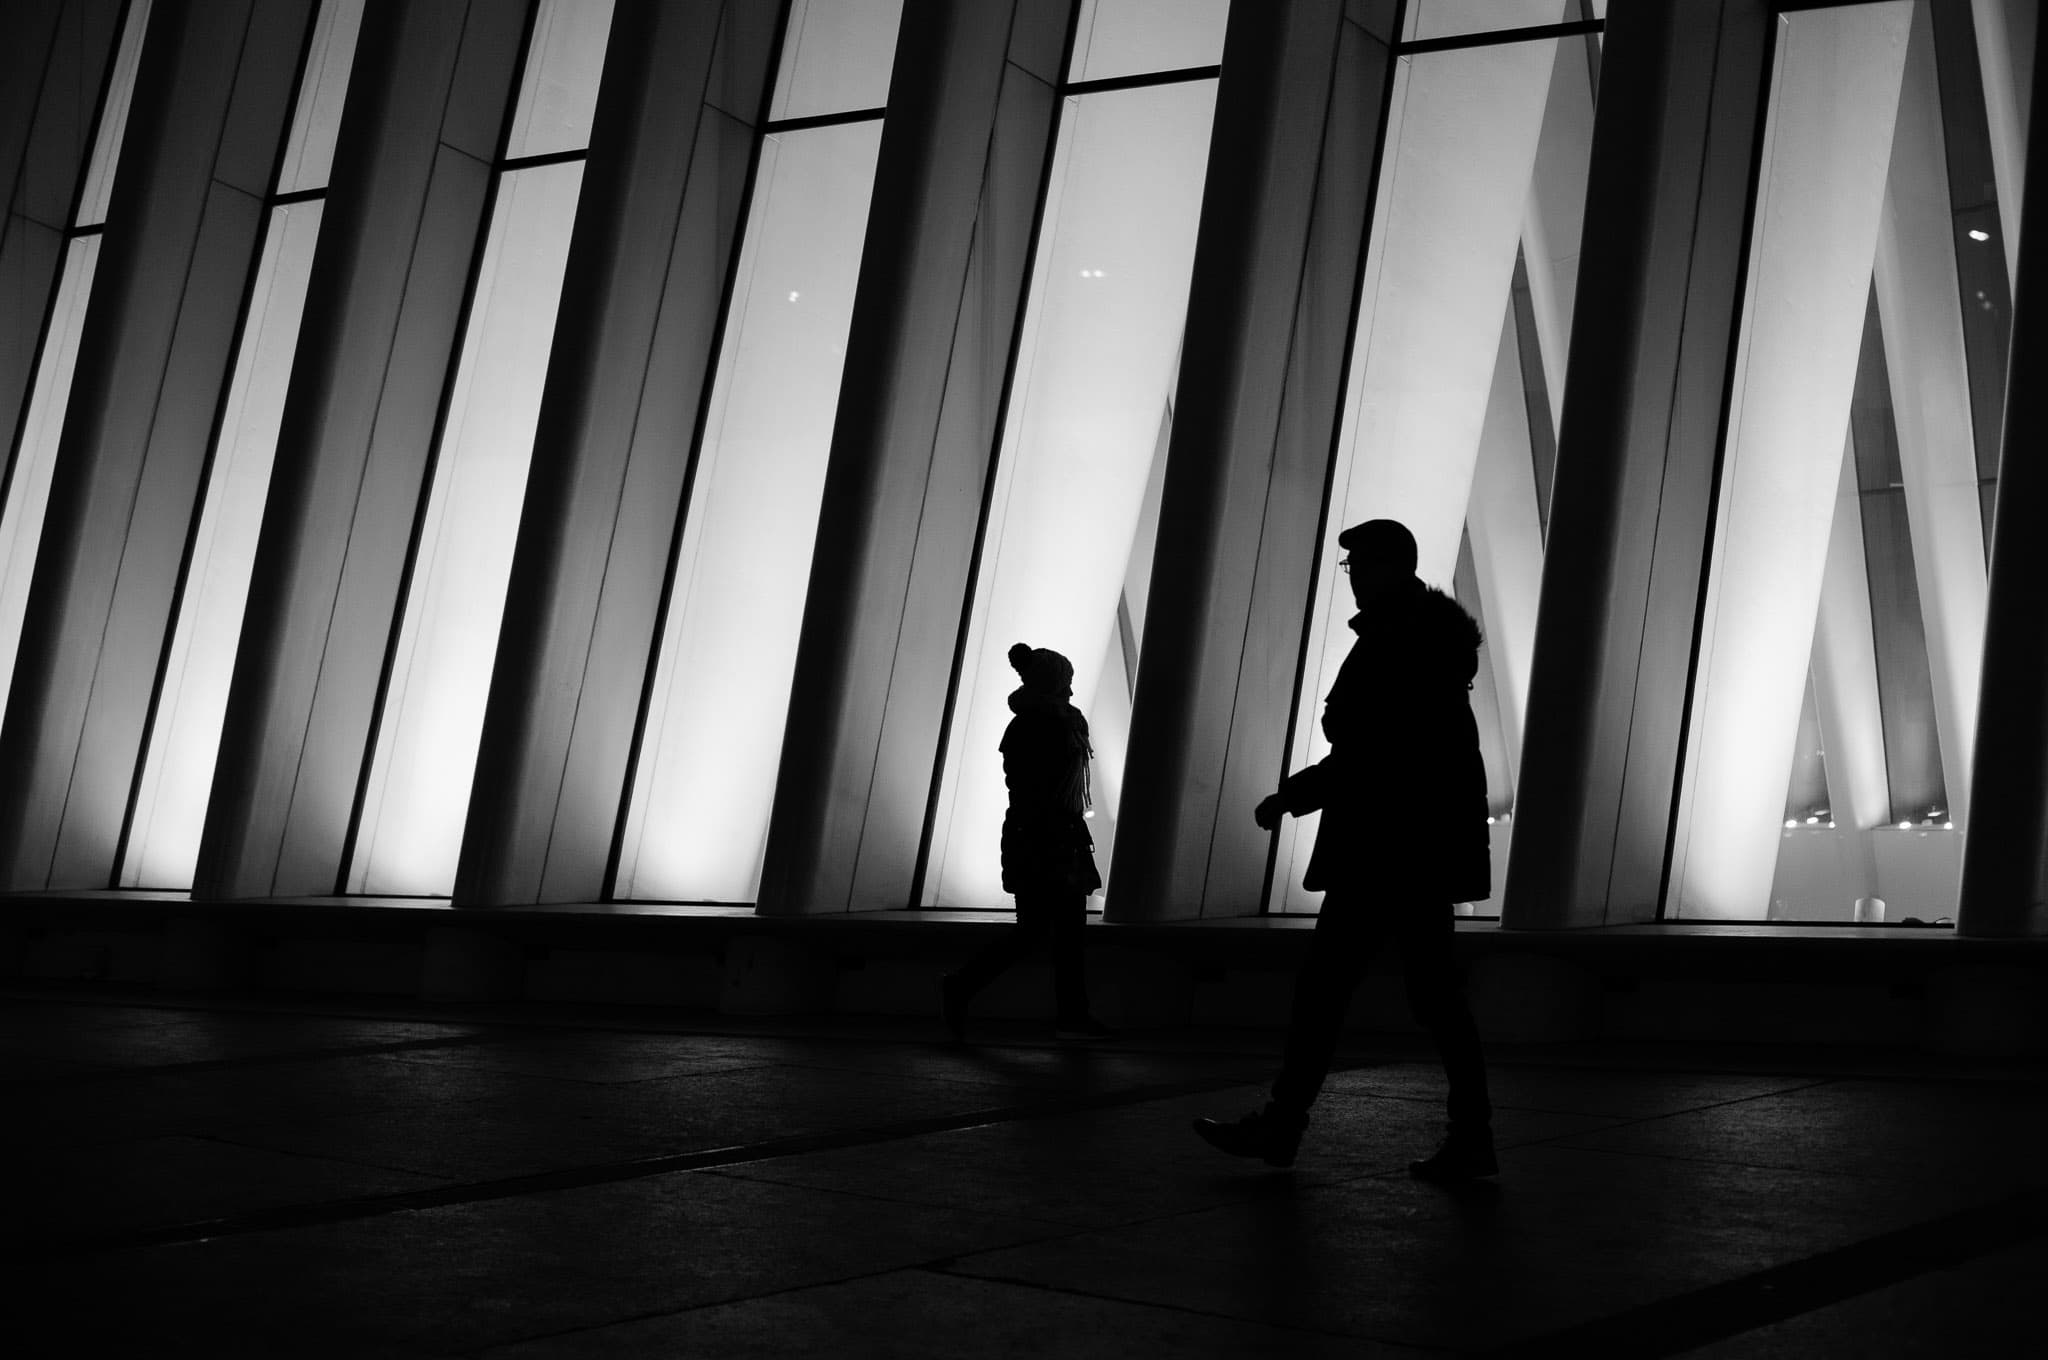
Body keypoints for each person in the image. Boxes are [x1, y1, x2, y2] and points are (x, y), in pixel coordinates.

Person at [1193, 518, 1495, 1181]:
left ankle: (1285, 1123)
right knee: (1425, 996)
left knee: (1332, 992)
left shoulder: (1401, 643)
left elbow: (1375, 752)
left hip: (1388, 848)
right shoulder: (1417, 639)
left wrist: (1293, 796)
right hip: (1409, 848)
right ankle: (1469, 1136)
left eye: (1358, 564)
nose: (1352, 576)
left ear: (1391, 567)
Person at [941, 643, 1116, 1041]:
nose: (1071, 689)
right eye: (1066, 681)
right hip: (1049, 837)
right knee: (1055, 931)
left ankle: (965, 987)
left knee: (1041, 931)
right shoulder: (1056, 725)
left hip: (1038, 837)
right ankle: (1069, 1016)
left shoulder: (1031, 725)